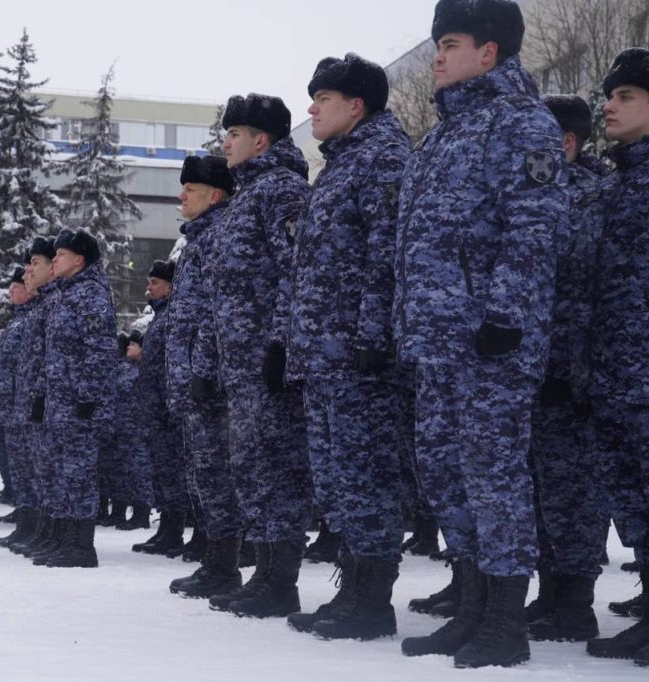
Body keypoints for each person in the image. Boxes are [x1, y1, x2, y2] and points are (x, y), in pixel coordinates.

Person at [393, 0, 569, 668]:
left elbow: (534, 226)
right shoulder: (441, 136)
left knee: (495, 480)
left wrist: (506, 316)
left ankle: (505, 622)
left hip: (491, 342)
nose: (438, 55)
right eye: (437, 43)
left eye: (452, 42)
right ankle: (469, 608)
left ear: (489, 52)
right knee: (447, 479)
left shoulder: (521, 123)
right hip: (438, 345)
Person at [284, 53, 410, 641]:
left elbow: (387, 255)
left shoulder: (382, 160)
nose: (311, 109)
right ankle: (353, 590)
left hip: (361, 356)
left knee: (368, 477)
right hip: (327, 356)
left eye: (323, 99)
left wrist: (372, 336)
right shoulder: (340, 165)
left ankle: (371, 600)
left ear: (355, 105)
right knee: (340, 479)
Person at [202, 93, 313, 619]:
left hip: (267, 363)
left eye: (235, 133)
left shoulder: (283, 192)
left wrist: (278, 345)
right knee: (251, 468)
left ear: (261, 140)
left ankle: (280, 580)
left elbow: (296, 272)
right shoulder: (247, 195)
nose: (226, 142)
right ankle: (264, 572)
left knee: (276, 468)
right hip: (240, 367)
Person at [523, 94, 606, 643]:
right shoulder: (544, 195)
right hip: (536, 364)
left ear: (568, 144)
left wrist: (570, 367)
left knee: (574, 487)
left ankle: (575, 600)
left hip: (571, 368)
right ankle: (552, 590)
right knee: (543, 485)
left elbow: (582, 293)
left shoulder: (588, 198)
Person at [585, 47, 649, 668]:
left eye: (627, 96)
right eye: (612, 95)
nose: (609, 105)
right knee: (633, 500)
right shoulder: (617, 183)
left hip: (641, 371)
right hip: (615, 372)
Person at [164, 154, 244, 599]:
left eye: (189, 190)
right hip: (194, 379)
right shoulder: (198, 241)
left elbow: (219, 314)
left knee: (219, 474)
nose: (181, 197)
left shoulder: (219, 238)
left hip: (212, 380)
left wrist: (203, 370)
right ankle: (216, 561)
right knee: (204, 475)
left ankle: (225, 565)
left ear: (214, 195)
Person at [40, 228, 117, 568]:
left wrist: (87, 397)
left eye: (60, 254)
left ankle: (82, 546)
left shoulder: (90, 296)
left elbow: (98, 352)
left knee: (80, 472)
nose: (54, 259)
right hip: (62, 401)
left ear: (79, 259)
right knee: (64, 471)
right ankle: (67, 539)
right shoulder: (66, 294)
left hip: (81, 403)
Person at [8, 236, 62, 561]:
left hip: (56, 406)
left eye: (34, 266)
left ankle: (59, 535)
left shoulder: (62, 302)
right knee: (35, 471)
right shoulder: (37, 311)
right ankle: (37, 527)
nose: (28, 274)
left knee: (55, 473)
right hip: (33, 405)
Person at [132, 259, 189, 556]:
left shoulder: (172, 318)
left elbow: (173, 364)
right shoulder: (161, 317)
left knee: (173, 472)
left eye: (155, 283)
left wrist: (170, 403)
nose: (148, 288)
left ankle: (174, 529)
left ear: (170, 286)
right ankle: (167, 527)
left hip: (168, 410)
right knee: (161, 472)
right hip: (155, 409)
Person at [0, 266, 40, 548]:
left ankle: (33, 526)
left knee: (31, 470)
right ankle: (26, 522)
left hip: (27, 407)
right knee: (18, 468)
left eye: (17, 286)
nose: (11, 291)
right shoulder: (18, 322)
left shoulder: (33, 317)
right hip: (14, 407)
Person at [104, 331, 155, 532]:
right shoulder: (125, 369)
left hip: (138, 430)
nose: (128, 347)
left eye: (134, 344)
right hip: (122, 429)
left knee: (139, 472)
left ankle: (141, 513)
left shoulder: (145, 371)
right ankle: (119, 510)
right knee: (121, 472)